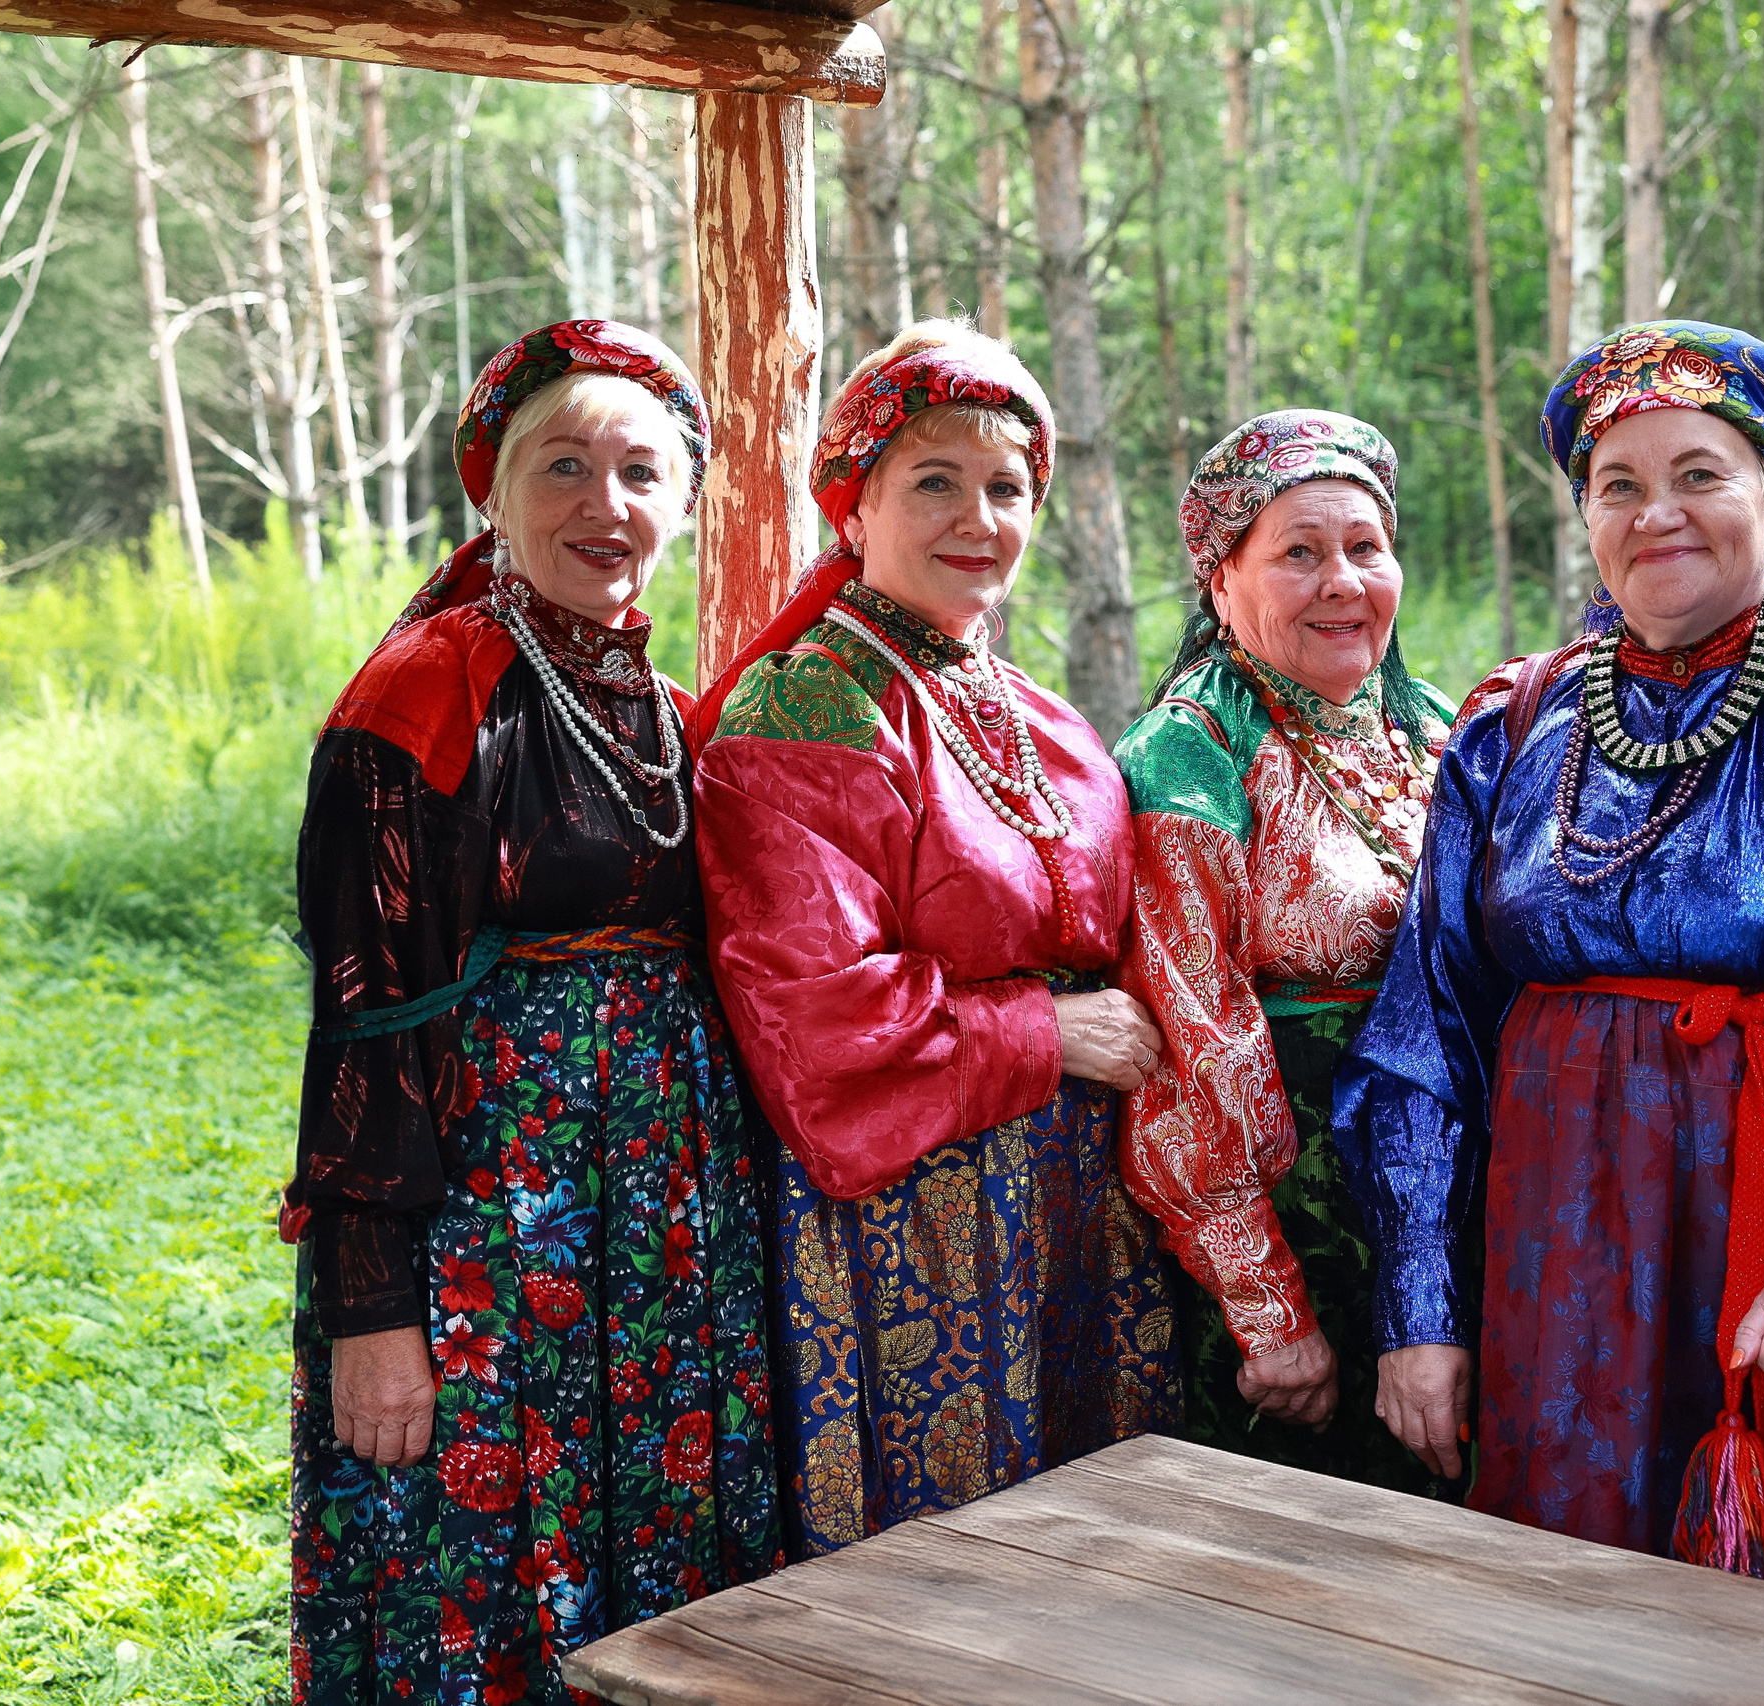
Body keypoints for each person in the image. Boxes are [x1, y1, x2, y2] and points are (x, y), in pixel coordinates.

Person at [1334, 322, 1764, 1591]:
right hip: (1552, 1255)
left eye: (1699, 474)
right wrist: (1422, 1310)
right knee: (1562, 1597)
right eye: (1619, 485)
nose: (1657, 512)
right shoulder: (1511, 720)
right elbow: (1426, 1030)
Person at [283, 320, 780, 1703]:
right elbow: (365, 1017)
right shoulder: (427, 690)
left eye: (640, 473)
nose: (603, 504)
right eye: (562, 466)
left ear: (682, 504)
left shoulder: (665, 704)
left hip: (655, 1228)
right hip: (489, 1230)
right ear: (493, 493)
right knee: (481, 1562)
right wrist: (373, 1312)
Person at [688, 321, 1177, 1556]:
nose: (979, 518)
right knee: (951, 1567)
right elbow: (813, 1016)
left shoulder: (1030, 709)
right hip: (921, 1218)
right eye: (935, 482)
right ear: (854, 505)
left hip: (1066, 1197)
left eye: (1007, 488)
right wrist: (1047, 1031)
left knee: (1096, 1549)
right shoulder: (807, 703)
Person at [1112, 411, 1459, 1495]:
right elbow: (1189, 1038)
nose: (1342, 581)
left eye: (1365, 546)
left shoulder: (1433, 726)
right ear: (1222, 583)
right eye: (1299, 552)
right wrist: (1268, 1308)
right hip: (1299, 1229)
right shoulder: (1192, 750)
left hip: (1450, 1202)